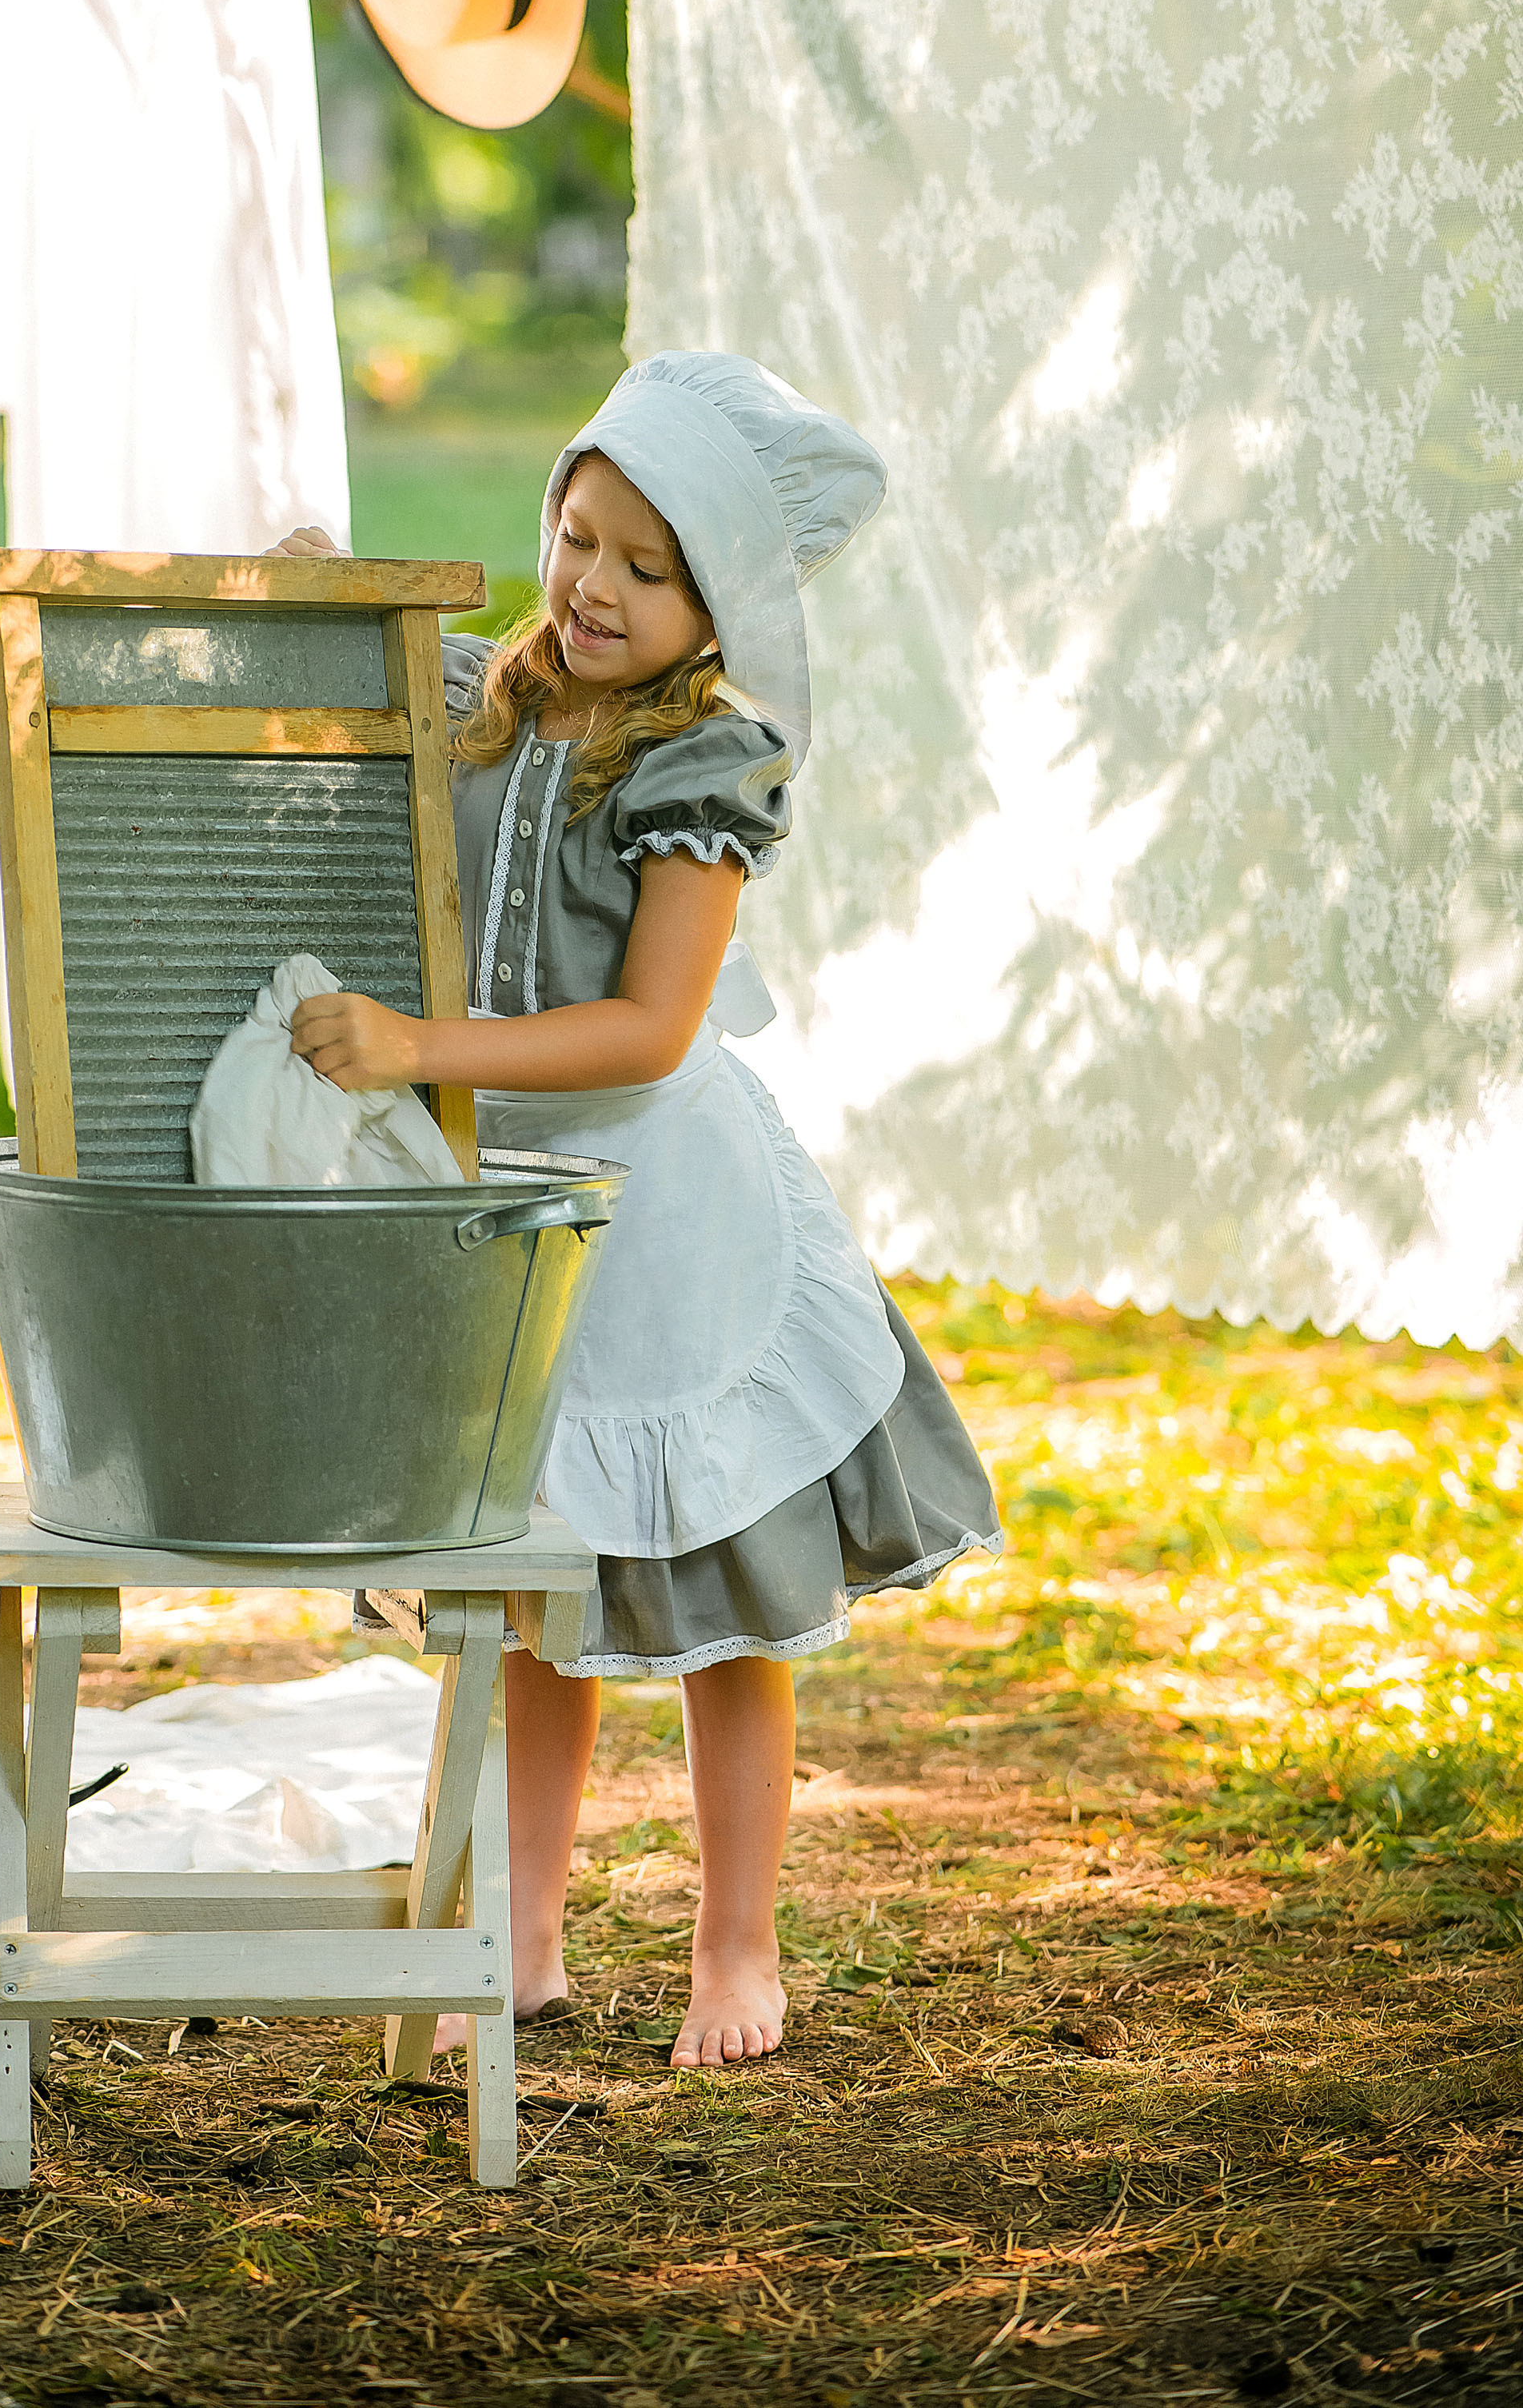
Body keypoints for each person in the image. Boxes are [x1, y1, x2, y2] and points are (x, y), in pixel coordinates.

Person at [277, 350, 1000, 2069]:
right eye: (578, 532)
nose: (593, 585)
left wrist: (415, 1047)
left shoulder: (704, 767)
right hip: (510, 1215)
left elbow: (649, 1025)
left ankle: (734, 1944)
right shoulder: (497, 695)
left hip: (665, 1214)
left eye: (645, 567)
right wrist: (314, 601)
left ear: (719, 596)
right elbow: (373, 726)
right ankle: (514, 1941)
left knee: (727, 1604)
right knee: (538, 1594)